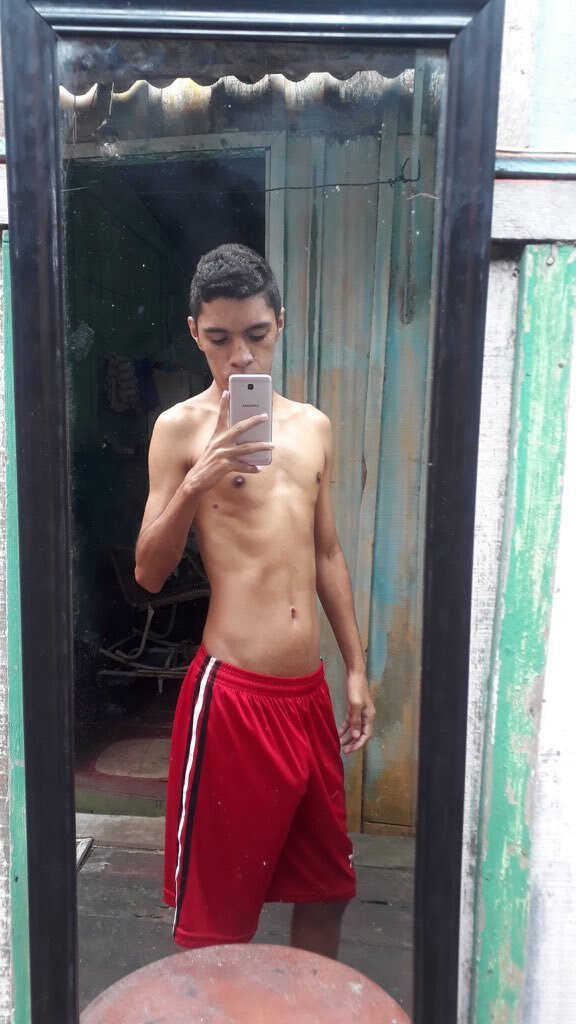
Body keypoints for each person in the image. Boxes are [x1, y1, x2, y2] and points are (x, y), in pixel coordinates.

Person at [135, 243, 375, 958]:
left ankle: (305, 1006)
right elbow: (149, 572)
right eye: (219, 339)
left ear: (280, 324)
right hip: (234, 696)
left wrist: (356, 669)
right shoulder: (180, 429)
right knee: (219, 917)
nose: (239, 357)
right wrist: (197, 480)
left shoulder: (312, 426)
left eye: (256, 335)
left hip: (307, 695)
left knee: (327, 891)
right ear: (194, 332)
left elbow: (326, 553)